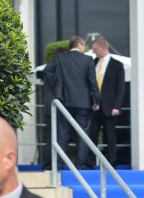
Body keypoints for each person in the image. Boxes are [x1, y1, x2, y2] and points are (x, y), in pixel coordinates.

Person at [42, 35, 100, 170]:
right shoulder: (87, 59)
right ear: (80, 45)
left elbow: (47, 70)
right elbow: (92, 82)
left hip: (64, 102)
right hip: (83, 103)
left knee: (62, 134)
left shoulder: (61, 58)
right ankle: (80, 165)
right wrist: (95, 100)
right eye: (84, 45)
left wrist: (58, 87)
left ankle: (59, 165)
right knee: (82, 135)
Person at [88, 36, 125, 168]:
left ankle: (111, 163)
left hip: (110, 108)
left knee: (110, 137)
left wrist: (117, 106)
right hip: (94, 107)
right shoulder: (93, 62)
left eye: (95, 49)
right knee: (92, 136)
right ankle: (90, 163)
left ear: (103, 47)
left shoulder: (117, 65)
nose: (94, 52)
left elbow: (121, 87)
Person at [38, 46, 69, 167]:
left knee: (52, 137)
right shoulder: (54, 67)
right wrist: (59, 92)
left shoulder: (52, 67)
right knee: (56, 136)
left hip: (50, 107)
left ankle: (49, 163)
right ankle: (52, 164)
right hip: (54, 107)